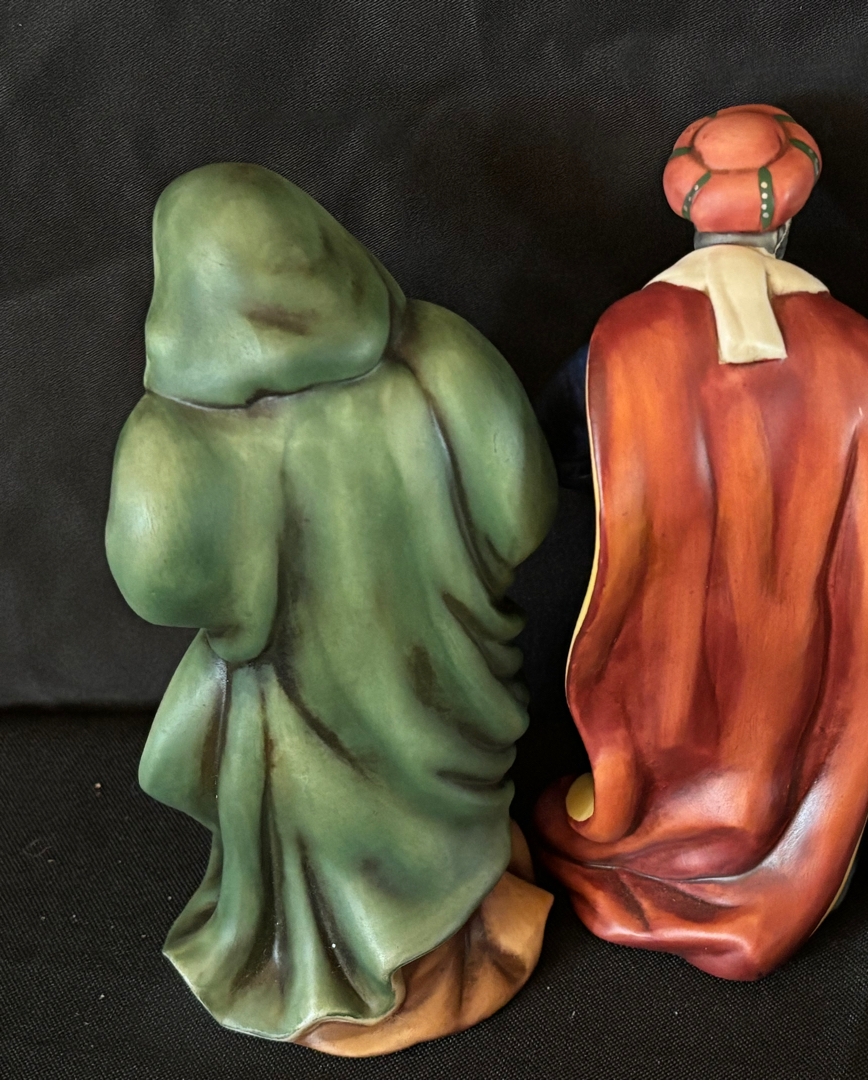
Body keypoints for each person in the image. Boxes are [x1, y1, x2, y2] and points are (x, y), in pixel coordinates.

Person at [106, 164, 557, 1054]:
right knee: (432, 802)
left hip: (298, 721)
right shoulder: (444, 355)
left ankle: (349, 955)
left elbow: (156, 583)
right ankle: (451, 916)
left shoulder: (176, 443)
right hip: (451, 693)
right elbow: (524, 512)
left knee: (310, 795)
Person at [533, 106, 868, 980]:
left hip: (663, 660)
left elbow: (561, 456)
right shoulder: (865, 353)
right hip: (796, 688)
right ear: (784, 224)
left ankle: (653, 828)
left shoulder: (622, 338)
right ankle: (773, 839)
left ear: (689, 213)